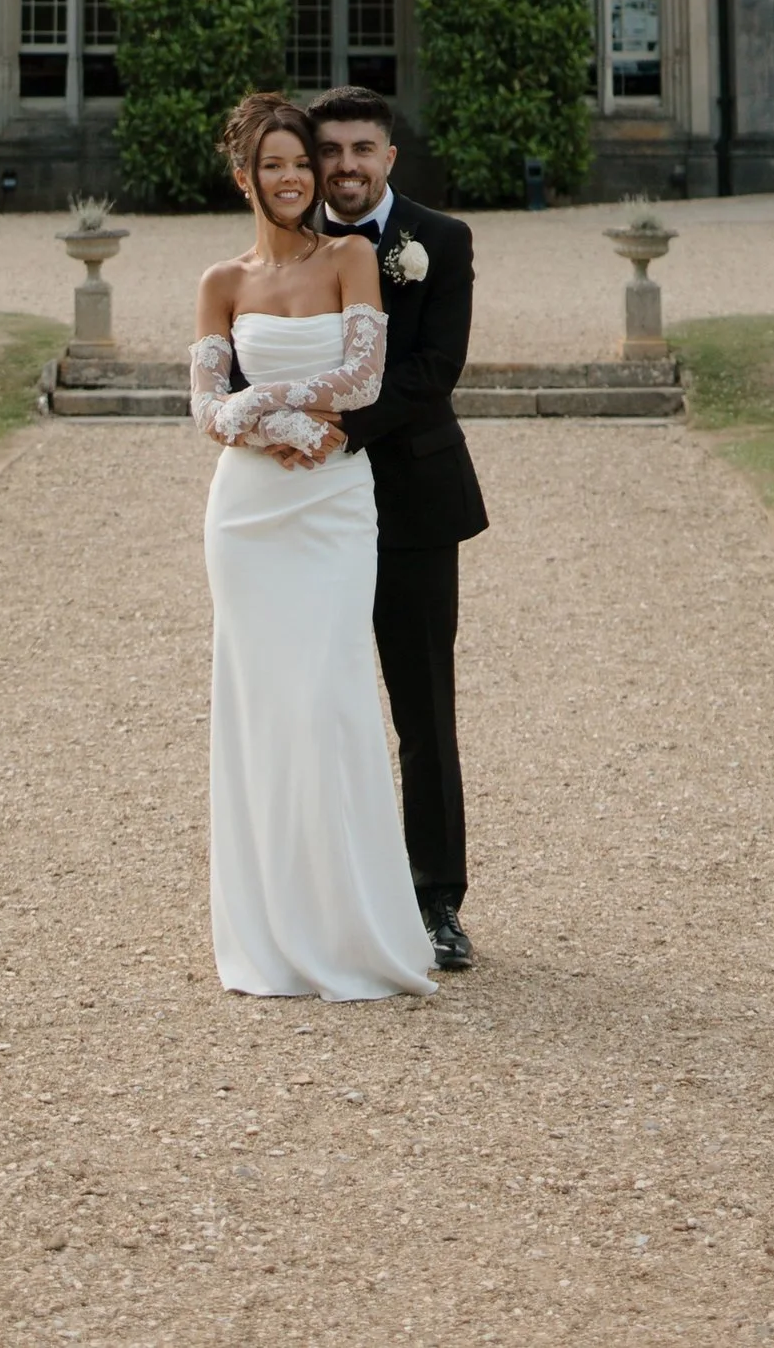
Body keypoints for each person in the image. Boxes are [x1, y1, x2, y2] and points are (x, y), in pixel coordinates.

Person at [189, 92, 436, 1001]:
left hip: (332, 503)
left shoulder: (350, 258)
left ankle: (352, 927)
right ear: (244, 177)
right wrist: (278, 419)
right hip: (249, 513)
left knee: (329, 699)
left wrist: (264, 402)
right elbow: (207, 409)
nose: (294, 178)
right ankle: (268, 932)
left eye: (302, 163)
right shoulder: (221, 282)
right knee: (260, 710)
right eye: (275, 165)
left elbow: (364, 379)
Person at [310, 87, 486, 973]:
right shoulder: (287, 242)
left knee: (423, 709)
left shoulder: (439, 241)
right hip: (306, 510)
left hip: (411, 499)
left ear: (389, 158)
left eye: (361, 149)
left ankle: (435, 901)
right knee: (312, 704)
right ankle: (325, 895)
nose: (345, 166)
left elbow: (434, 369)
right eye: (330, 150)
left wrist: (336, 428)